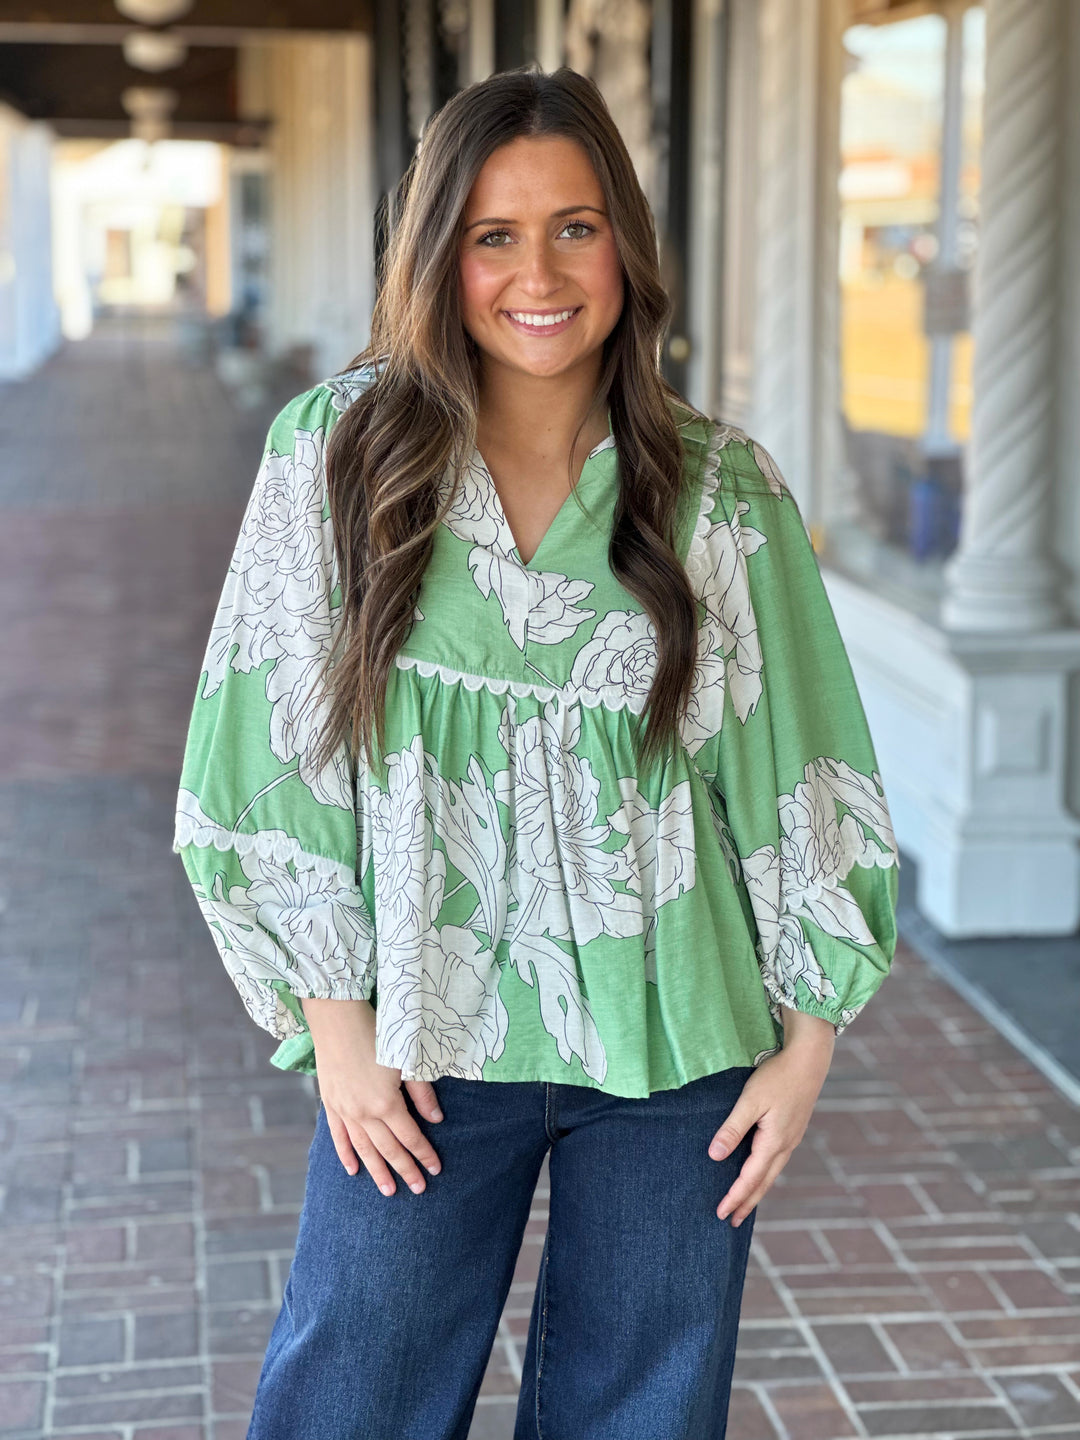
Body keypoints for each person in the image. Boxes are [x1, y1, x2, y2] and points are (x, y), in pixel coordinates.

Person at [173, 64, 899, 1440]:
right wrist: (338, 1032)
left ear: (625, 239)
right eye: (493, 235)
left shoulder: (719, 484)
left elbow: (807, 770)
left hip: (684, 1048)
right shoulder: (338, 455)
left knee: (643, 1414)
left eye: (576, 225)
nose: (539, 273)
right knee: (353, 1397)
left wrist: (807, 1047)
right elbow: (262, 761)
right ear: (438, 254)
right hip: (421, 1046)